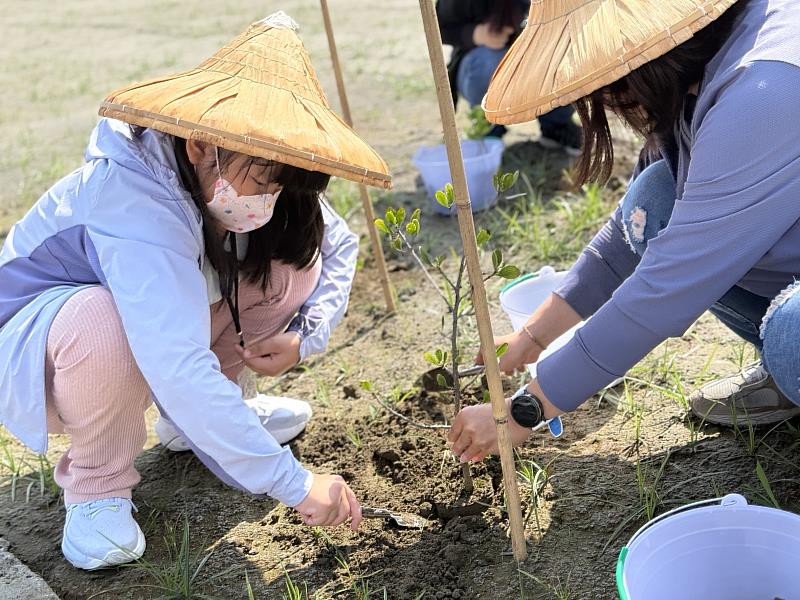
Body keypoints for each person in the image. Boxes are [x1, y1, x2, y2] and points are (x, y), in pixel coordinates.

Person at [0, 12, 392, 570]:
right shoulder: (133, 195)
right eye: (262, 181)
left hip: (146, 332)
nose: (266, 199)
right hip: (41, 347)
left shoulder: (254, 163)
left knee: (289, 265)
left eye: (279, 185)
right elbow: (176, 361)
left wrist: (306, 336)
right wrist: (296, 485)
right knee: (101, 319)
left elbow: (338, 246)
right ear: (200, 146)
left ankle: (207, 417)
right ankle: (97, 487)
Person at [449, 0, 800, 462]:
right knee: (654, 201)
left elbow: (668, 285)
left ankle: (788, 360)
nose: (605, 102)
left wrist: (524, 410)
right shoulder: (699, 65)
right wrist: (532, 337)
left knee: (791, 332)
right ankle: (787, 369)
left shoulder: (763, 91)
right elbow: (628, 236)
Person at [436, 0, 581, 153]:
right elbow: (437, 27)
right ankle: (489, 131)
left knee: (556, 50)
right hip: (479, 66)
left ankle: (556, 127)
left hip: (531, 61)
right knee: (488, 59)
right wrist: (477, 34)